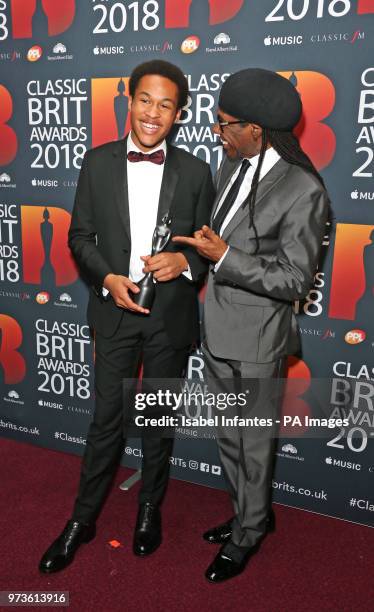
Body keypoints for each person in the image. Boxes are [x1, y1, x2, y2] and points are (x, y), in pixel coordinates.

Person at [39, 60, 214, 573]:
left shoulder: (197, 172)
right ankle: (83, 518)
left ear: (179, 113)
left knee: (157, 423)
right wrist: (107, 279)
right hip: (114, 314)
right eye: (144, 100)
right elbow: (78, 237)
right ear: (128, 100)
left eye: (165, 104)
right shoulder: (96, 163)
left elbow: (208, 249)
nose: (152, 113)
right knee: (105, 424)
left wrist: (186, 261)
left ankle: (148, 510)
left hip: (169, 320)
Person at [173, 68, 330, 583]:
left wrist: (224, 256)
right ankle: (249, 512)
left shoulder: (303, 188)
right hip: (217, 328)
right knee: (229, 437)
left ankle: (250, 533)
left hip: (259, 340)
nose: (215, 131)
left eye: (224, 124)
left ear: (256, 130)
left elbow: (292, 280)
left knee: (254, 442)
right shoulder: (232, 163)